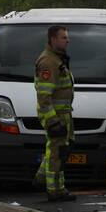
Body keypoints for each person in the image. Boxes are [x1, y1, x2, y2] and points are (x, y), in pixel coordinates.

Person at [36, 25, 76, 202]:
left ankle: (55, 185)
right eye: (63, 37)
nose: (67, 40)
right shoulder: (48, 62)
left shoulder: (57, 59)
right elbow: (44, 97)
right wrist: (53, 121)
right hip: (55, 116)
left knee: (61, 151)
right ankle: (53, 190)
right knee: (56, 152)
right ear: (52, 39)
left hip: (63, 115)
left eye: (67, 37)